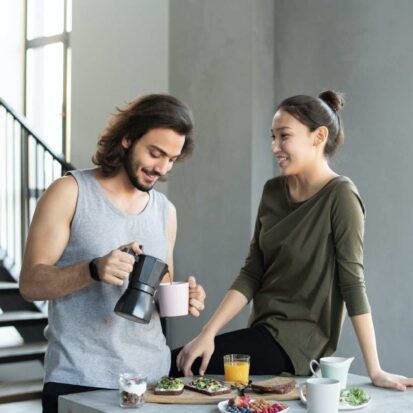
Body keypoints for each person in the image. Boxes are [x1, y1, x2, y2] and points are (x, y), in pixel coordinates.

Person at [171, 90, 413, 391]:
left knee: (175, 364)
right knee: (183, 362)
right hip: (262, 333)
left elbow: (352, 283)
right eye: (272, 137)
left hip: (298, 346)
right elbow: (252, 272)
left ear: (318, 136)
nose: (275, 147)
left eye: (284, 136)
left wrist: (374, 370)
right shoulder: (272, 192)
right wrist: (208, 332)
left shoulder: (341, 196)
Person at [19, 94, 206, 413]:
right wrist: (92, 270)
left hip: (153, 381)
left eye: (171, 159)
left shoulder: (165, 211)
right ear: (128, 138)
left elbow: (160, 292)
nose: (161, 168)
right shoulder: (70, 192)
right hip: (80, 379)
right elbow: (30, 284)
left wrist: (185, 297)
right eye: (155, 153)